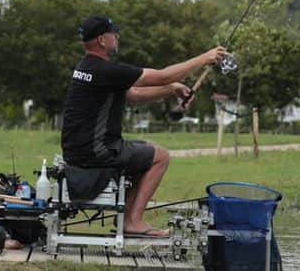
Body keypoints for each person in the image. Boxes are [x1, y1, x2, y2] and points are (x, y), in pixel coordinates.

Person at [60, 15, 230, 238]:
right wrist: (204, 58)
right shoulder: (107, 70)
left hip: (78, 149)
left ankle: (129, 219)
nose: (117, 36)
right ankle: (133, 221)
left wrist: (171, 90)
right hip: (97, 152)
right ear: (102, 40)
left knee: (146, 150)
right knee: (160, 156)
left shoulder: (87, 67)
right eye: (113, 33)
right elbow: (160, 76)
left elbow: (133, 95)